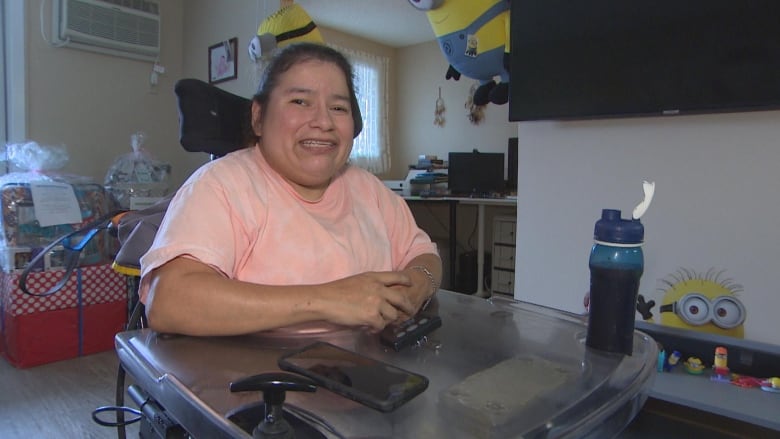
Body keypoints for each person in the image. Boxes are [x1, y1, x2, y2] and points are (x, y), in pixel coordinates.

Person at [139, 42, 442, 337]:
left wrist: (418, 284)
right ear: (259, 117)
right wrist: (327, 300)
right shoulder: (221, 185)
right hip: (256, 377)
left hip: (368, 372)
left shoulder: (369, 189)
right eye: (300, 102)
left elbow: (423, 254)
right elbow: (169, 302)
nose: (323, 122)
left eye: (338, 107)